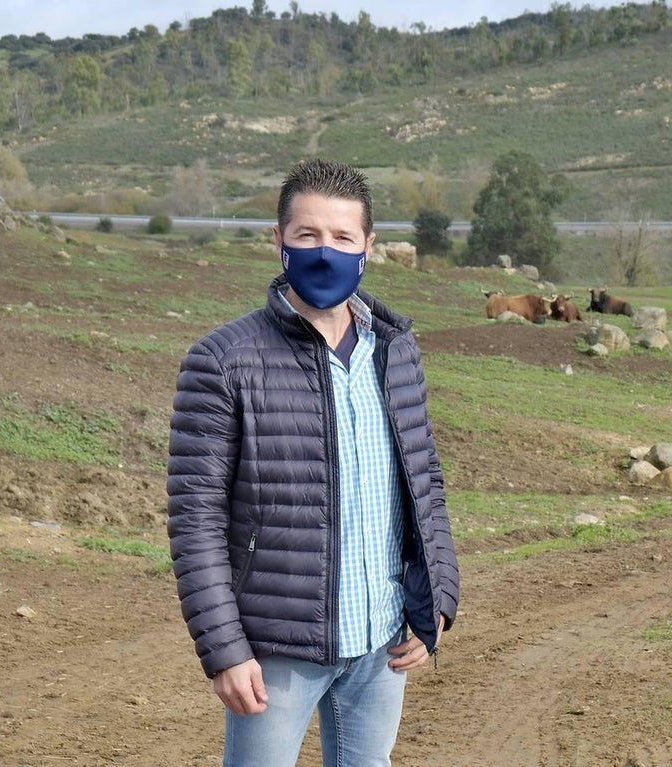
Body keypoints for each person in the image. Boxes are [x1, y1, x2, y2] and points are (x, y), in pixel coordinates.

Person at [167, 158, 459, 767]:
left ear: (368, 247)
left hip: (380, 637)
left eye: (342, 237)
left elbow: (424, 478)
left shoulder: (396, 349)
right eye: (307, 236)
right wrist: (223, 648)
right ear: (278, 241)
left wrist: (438, 596)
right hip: (276, 649)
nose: (324, 252)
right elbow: (195, 518)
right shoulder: (223, 361)